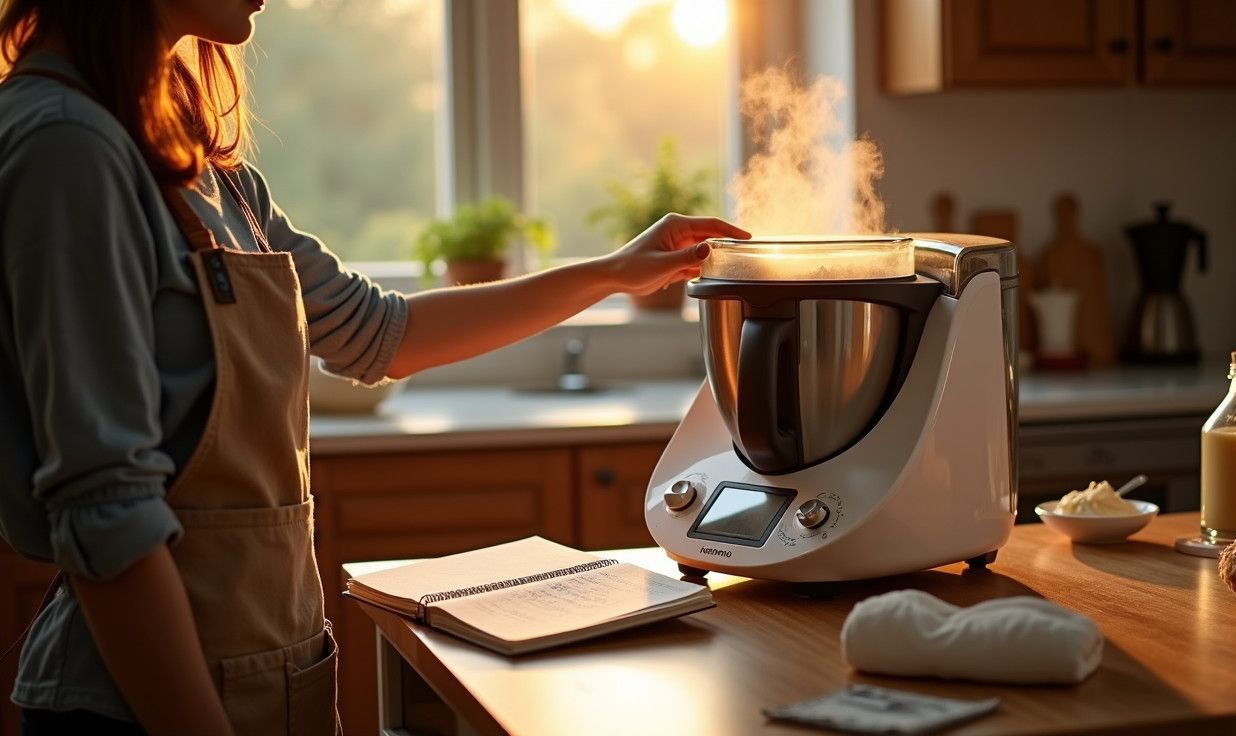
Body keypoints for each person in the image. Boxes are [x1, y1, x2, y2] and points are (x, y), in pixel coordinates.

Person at [0, 1, 749, 734]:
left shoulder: (204, 170)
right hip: (139, 705)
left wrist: (610, 273)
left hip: (264, 679)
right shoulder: (67, 149)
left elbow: (381, 334)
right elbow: (107, 509)